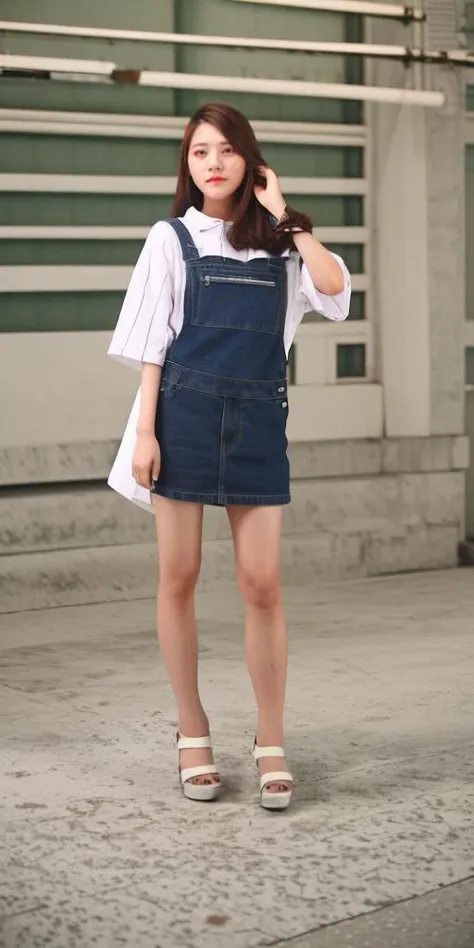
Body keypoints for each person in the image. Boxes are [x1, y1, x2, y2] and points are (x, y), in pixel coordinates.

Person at [107, 102, 351, 809]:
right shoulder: (171, 238)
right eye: (198, 152)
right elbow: (153, 345)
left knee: (261, 584)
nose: (211, 163)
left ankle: (270, 736)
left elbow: (334, 290)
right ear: (188, 166)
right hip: (180, 416)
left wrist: (290, 218)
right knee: (178, 576)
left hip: (256, 423)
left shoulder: (283, 243)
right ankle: (193, 730)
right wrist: (146, 432)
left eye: (224, 150)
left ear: (250, 160)